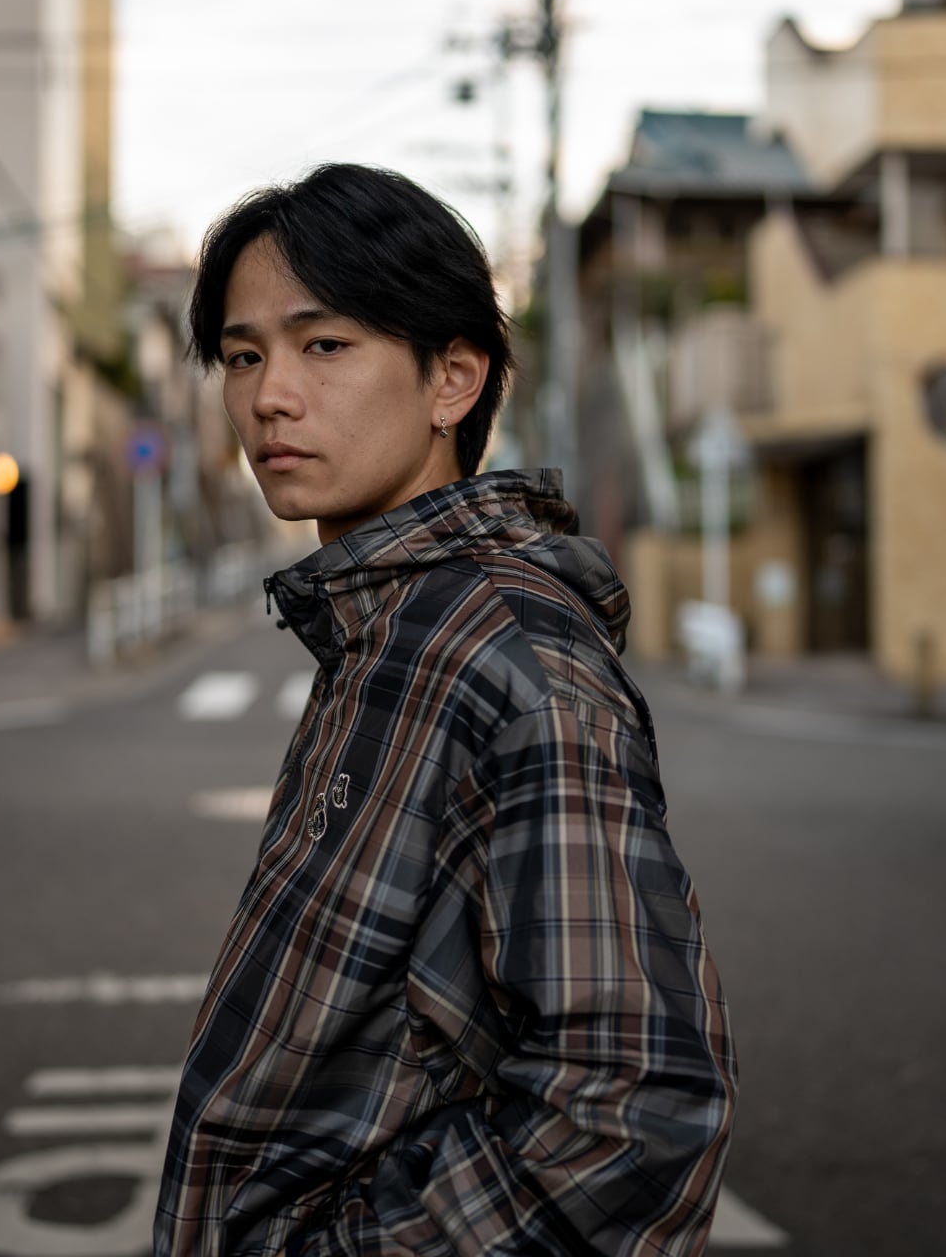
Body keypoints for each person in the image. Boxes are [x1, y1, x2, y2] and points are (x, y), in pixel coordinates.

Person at [154, 163, 735, 1257]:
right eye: (244, 356)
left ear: (453, 380)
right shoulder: (387, 627)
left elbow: (632, 1114)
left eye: (326, 345)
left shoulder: (501, 653)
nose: (270, 395)